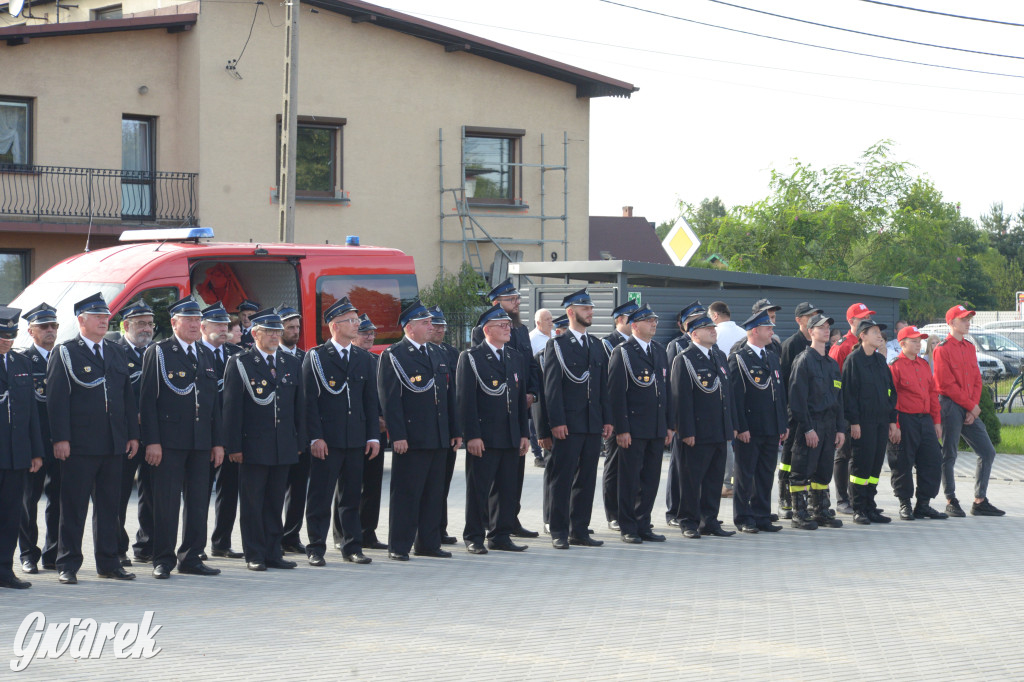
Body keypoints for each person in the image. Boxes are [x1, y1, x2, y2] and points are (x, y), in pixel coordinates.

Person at [47, 293, 140, 584]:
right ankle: (68, 563)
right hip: (80, 444)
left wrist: (132, 435)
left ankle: (109, 562)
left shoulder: (115, 351)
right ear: (81, 320)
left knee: (110, 507)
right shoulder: (66, 352)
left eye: (106, 317)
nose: (104, 320)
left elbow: (127, 397)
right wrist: (60, 438)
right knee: (73, 506)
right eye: (98, 316)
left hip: (113, 443)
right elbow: (57, 400)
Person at [138, 297, 224, 579]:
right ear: (174, 322)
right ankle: (162, 559)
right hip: (169, 442)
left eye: (197, 320)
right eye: (188, 320)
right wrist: (152, 441)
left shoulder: (206, 353)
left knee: (199, 501)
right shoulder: (160, 352)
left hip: (200, 442)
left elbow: (215, 404)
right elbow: (147, 400)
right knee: (166, 502)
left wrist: (217, 442)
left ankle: (192, 557)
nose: (194, 325)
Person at [223, 308, 306, 571]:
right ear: (255, 333)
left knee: (274, 501)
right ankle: (255, 554)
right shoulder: (241, 362)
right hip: (253, 445)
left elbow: (298, 407)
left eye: (277, 331)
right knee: (252, 502)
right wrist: (234, 446)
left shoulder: (290, 362)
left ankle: (273, 551)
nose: (274, 336)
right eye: (269, 331)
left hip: (283, 445)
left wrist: (299, 441)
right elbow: (232, 408)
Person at [378, 300, 461, 561]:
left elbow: (449, 395)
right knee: (407, 494)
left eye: (430, 322)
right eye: (425, 323)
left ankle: (428, 542)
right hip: (412, 438)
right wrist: (398, 435)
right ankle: (399, 545)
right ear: (409, 327)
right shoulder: (394, 355)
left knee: (434, 493)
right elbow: (390, 400)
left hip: (438, 435)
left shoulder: (437, 353)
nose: (431, 326)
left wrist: (454, 430)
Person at [303, 297, 380, 566]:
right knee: (320, 497)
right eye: (351, 320)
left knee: (351, 497)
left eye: (357, 320)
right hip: (328, 439)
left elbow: (370, 402)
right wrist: (315, 436)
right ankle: (315, 547)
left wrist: (372, 436)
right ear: (335, 326)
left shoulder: (363, 358)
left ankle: (352, 546)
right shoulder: (317, 357)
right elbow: (309, 401)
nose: (357, 324)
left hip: (355, 438)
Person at [541, 289, 612, 550]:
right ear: (571, 313)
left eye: (591, 308)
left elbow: (603, 385)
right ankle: (559, 530)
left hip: (592, 423)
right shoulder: (557, 345)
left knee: (586, 479)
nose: (590, 312)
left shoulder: (596, 345)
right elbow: (552, 388)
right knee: (563, 478)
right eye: (585, 309)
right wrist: (556, 422)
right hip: (568, 425)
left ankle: (579, 529)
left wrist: (607, 418)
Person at [457, 304, 531, 554]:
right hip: (485, 436)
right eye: (502, 325)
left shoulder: (514, 357)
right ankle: (474, 536)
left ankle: (500, 534)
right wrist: (472, 436)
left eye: (508, 324)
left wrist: (524, 433)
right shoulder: (472, 357)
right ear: (487, 330)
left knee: (507, 489)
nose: (508, 328)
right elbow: (466, 400)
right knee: (479, 489)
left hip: (510, 434)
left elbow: (520, 400)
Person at [471, 279, 540, 539]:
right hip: (495, 410)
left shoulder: (521, 331)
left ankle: (510, 518)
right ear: (496, 303)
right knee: (492, 474)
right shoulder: (482, 331)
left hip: (518, 408)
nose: (517, 304)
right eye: (512, 300)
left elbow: (530, 365)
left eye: (517, 299)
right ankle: (491, 520)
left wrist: (531, 392)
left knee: (515, 472)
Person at [607, 304, 672, 544]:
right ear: (634, 325)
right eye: (648, 320)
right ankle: (628, 525)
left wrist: (669, 425)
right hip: (633, 428)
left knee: (651, 478)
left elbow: (666, 390)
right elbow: (616, 394)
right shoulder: (623, 352)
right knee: (629, 479)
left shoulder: (659, 350)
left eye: (655, 320)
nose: (654, 323)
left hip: (655, 426)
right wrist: (621, 429)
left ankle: (643, 522)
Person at [933, 304, 1005, 517]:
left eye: (968, 319)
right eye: (964, 319)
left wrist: (973, 407)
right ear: (952, 323)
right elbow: (945, 384)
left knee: (987, 451)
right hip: (950, 405)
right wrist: (969, 405)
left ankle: (979, 500)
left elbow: (975, 378)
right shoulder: (942, 349)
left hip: (968, 406)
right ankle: (951, 499)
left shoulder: (969, 347)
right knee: (949, 453)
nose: (968, 322)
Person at [671, 312, 737, 538]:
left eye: (713, 327)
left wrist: (730, 426)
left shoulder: (718, 356)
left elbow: (727, 395)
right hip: (697, 432)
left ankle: (709, 520)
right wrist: (686, 431)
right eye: (707, 328)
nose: (713, 331)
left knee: (714, 479)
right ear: (694, 333)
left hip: (718, 430)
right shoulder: (685, 359)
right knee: (691, 479)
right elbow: (681, 398)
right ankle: (688, 521)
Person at [729, 310, 788, 534]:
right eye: (768, 328)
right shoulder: (739, 358)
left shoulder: (771, 356)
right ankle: (743, 516)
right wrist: (741, 427)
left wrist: (783, 424)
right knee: (745, 474)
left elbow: (779, 394)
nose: (772, 331)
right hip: (751, 428)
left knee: (765, 472)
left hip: (771, 427)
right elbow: (736, 397)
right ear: (755, 331)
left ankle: (762, 514)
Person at [787, 313, 846, 530]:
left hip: (830, 425)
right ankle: (799, 513)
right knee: (802, 469)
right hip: (810, 424)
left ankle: (820, 510)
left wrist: (841, 429)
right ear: (811, 332)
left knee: (823, 470)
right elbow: (797, 399)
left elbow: (839, 399)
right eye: (820, 327)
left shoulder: (832, 364)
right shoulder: (804, 360)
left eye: (828, 327)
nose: (826, 330)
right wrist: (807, 428)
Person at [0, 307, 44, 589]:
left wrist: (36, 451)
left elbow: (31, 413)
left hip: (16, 453)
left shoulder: (20, 362)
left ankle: (5, 570)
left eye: (11, 334)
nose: (7, 339)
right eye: (2, 334)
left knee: (10, 514)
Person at [110, 301, 156, 566]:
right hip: (126, 436)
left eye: (149, 323)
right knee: (118, 495)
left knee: (152, 494)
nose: (146, 329)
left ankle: (147, 545)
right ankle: (117, 548)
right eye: (140, 323)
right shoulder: (115, 352)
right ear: (126, 326)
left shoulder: (158, 352)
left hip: (154, 437)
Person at [887, 325, 948, 520]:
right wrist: (894, 424)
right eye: (914, 341)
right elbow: (891, 399)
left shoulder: (923, 365)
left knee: (932, 460)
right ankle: (905, 503)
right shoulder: (895, 366)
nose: (918, 344)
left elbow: (932, 394)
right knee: (903, 462)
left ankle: (923, 504)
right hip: (905, 420)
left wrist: (936, 421)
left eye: (919, 340)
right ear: (902, 344)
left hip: (925, 420)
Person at [18, 303, 61, 576]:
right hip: (35, 443)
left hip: (61, 441)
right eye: (43, 326)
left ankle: (52, 553)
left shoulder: (65, 357)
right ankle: (27, 554)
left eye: (53, 326)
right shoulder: (23, 361)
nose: (50, 331)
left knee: (58, 499)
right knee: (28, 500)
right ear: (31, 331)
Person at [842, 318, 898, 525]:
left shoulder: (879, 361)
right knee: (860, 466)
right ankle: (858, 507)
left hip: (881, 421)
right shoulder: (853, 360)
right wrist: (854, 422)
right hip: (862, 423)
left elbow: (890, 391)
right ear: (862, 335)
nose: (879, 335)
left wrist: (892, 420)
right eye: (874, 331)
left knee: (875, 467)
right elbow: (849, 394)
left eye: (880, 332)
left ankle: (870, 505)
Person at [200, 302, 245, 559]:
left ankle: (222, 542)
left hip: (231, 434)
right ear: (203, 327)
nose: (222, 329)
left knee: (229, 492)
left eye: (225, 325)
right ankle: (195, 545)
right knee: (200, 493)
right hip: (204, 433)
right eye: (216, 324)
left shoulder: (236, 353)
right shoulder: (196, 352)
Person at [341, 313, 388, 551]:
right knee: (347, 487)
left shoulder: (375, 361)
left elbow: (381, 397)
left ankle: (367, 532)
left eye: (372, 333)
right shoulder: (347, 360)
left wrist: (383, 420)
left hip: (375, 432)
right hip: (352, 432)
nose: (369, 336)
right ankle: (343, 535)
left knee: (372, 485)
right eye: (364, 332)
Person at [775, 301, 823, 520]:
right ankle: (785, 496)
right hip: (794, 412)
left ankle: (816, 500)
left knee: (814, 459)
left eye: (816, 315)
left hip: (815, 412)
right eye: (809, 315)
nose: (814, 317)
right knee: (789, 457)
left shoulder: (820, 344)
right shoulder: (791, 344)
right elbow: (786, 381)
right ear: (799, 320)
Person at [829, 302, 877, 515]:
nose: (867, 321)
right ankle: (842, 499)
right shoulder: (843, 345)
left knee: (860, 457)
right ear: (851, 322)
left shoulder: (869, 345)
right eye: (862, 318)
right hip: (844, 410)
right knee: (843, 454)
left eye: (868, 317)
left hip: (864, 411)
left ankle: (860, 498)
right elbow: (833, 378)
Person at [664, 300, 706, 527]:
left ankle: (697, 511)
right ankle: (673, 511)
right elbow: (673, 386)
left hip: (704, 420)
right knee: (678, 467)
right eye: (693, 320)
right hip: (683, 418)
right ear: (684, 325)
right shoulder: (677, 346)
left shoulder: (710, 347)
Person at [600, 299, 639, 531]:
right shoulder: (609, 343)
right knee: (614, 464)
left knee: (634, 468)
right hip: (615, 413)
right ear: (620, 320)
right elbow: (610, 383)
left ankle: (632, 511)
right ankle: (613, 513)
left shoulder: (638, 343)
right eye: (631, 317)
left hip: (636, 415)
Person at [277, 304, 310, 555]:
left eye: (298, 327)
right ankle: (274, 536)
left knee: (298, 490)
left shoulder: (305, 357)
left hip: (301, 434)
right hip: (277, 437)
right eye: (290, 327)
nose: (295, 331)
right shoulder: (267, 356)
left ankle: (292, 535)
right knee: (276, 490)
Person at [428, 305, 461, 545]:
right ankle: (427, 530)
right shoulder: (420, 352)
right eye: (435, 325)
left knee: (443, 483)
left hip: (448, 427)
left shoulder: (452, 353)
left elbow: (457, 395)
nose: (440, 329)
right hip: (429, 429)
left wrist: (457, 429)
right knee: (429, 485)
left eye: (442, 325)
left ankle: (440, 528)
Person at [528, 308, 553, 468]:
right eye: (547, 320)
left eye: (551, 319)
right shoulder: (532, 338)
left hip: (551, 386)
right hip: (538, 384)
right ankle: (537, 453)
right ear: (538, 323)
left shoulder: (555, 336)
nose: (551, 322)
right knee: (535, 421)